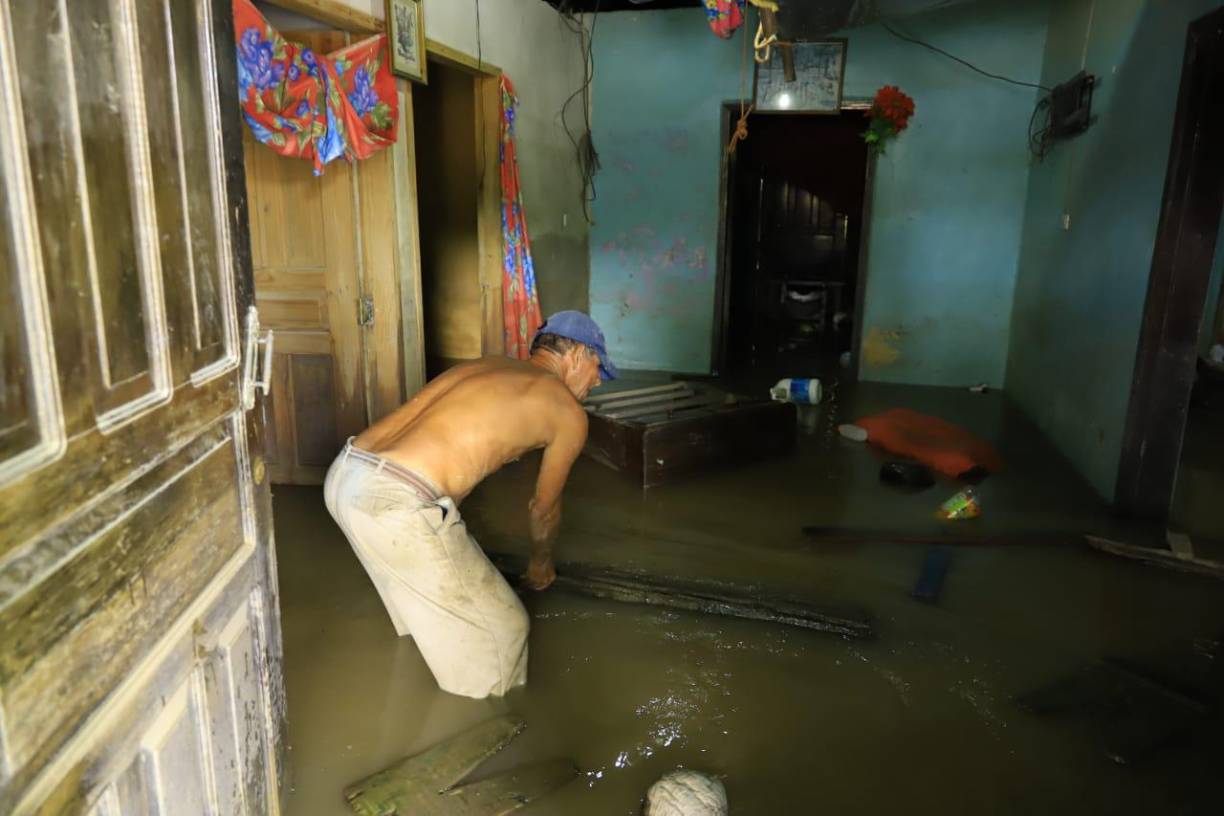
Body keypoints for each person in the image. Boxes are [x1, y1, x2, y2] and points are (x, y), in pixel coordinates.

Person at [323, 311, 617, 699]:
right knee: (507, 628)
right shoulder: (567, 411)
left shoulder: (489, 365)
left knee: (423, 615)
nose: (597, 380)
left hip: (345, 476)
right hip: (395, 503)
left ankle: (405, 697)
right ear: (577, 354)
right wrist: (541, 564)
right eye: (598, 367)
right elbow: (542, 510)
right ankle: (490, 721)